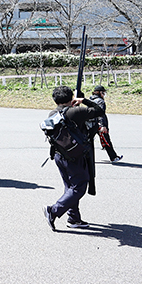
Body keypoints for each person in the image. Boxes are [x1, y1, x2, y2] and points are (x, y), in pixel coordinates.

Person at [43, 85, 102, 231]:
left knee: (70, 187)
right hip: (75, 157)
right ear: (71, 98)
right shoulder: (76, 111)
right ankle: (54, 210)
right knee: (79, 187)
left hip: (59, 155)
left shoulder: (52, 114)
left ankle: (74, 218)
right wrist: (84, 101)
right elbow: (99, 110)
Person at [90, 85, 122, 163]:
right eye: (103, 92)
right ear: (100, 92)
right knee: (106, 140)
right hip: (99, 124)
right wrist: (102, 125)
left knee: (89, 141)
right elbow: (100, 113)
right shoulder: (100, 101)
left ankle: (87, 159)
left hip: (91, 124)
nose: (104, 94)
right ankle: (113, 157)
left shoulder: (90, 100)